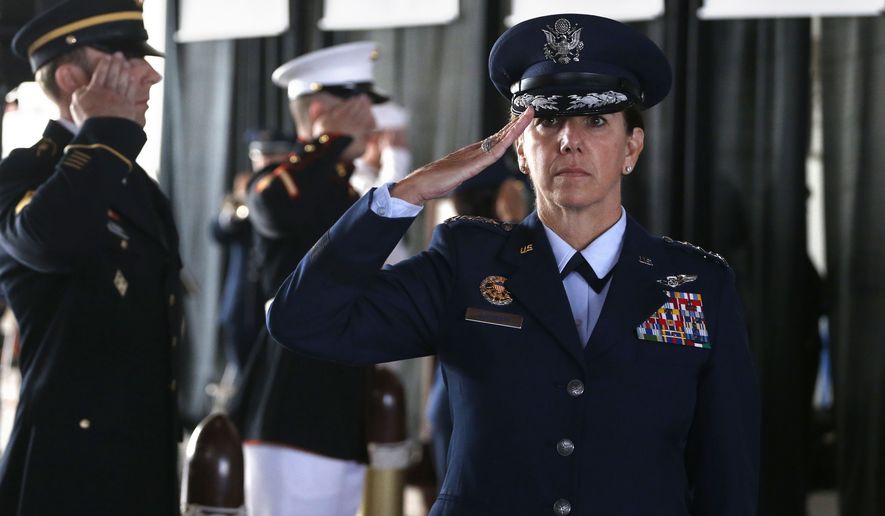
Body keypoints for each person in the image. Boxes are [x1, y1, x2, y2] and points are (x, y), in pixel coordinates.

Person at [267, 14, 760, 516]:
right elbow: (302, 321)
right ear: (520, 150)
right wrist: (408, 192)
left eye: (595, 120)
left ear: (632, 147)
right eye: (546, 121)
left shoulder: (698, 284)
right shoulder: (467, 262)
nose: (570, 141)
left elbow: (727, 471)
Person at [0, 0, 183, 514]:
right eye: (126, 57)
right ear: (70, 77)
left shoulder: (135, 183)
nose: (150, 74)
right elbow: (51, 239)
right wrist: (105, 130)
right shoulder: (23, 176)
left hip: (142, 460)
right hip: (70, 471)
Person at [230, 42, 382, 516]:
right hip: (291, 406)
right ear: (321, 111)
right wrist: (330, 141)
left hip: (338, 405)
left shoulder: (341, 188)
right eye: (359, 111)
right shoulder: (278, 184)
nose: (372, 124)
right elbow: (273, 205)